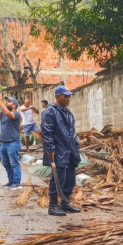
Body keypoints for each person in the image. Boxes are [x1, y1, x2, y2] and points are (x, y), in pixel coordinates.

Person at [41, 86, 81, 217]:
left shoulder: (68, 112)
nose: (68, 98)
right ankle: (53, 205)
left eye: (69, 96)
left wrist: (75, 146)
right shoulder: (50, 112)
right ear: (58, 97)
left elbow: (72, 131)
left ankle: (65, 202)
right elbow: (47, 131)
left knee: (70, 178)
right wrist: (50, 148)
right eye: (65, 96)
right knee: (59, 177)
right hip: (58, 150)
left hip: (70, 150)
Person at [0, 93, 23, 190]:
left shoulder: (16, 114)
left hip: (13, 143)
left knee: (14, 163)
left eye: (8, 101)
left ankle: (16, 182)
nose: (6, 102)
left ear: (14, 105)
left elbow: (8, 113)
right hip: (4, 143)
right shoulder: (3, 114)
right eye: (6, 101)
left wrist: (0, 101)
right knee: (6, 164)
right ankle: (11, 181)